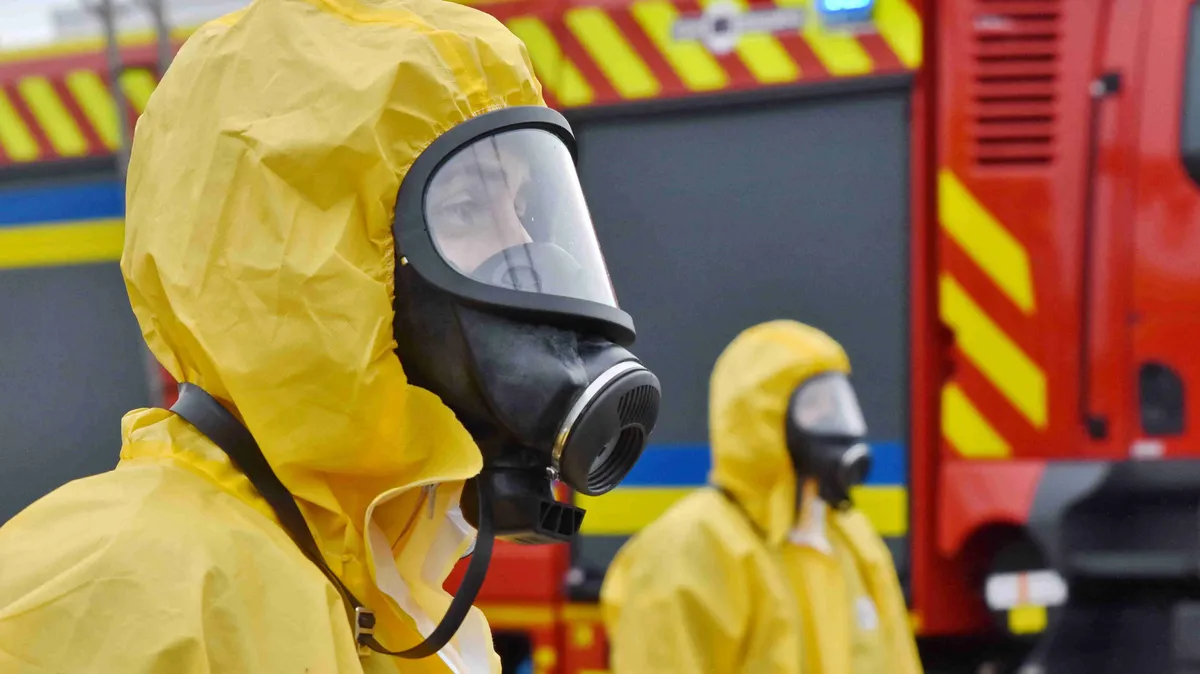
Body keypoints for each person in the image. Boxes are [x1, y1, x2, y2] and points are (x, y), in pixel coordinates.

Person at [0, 0, 661, 672]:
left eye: (522, 209)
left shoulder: (402, 608)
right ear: (292, 259)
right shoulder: (111, 602)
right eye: (467, 208)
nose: (526, 254)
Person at [600, 320, 921, 674]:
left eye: (837, 402)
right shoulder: (691, 548)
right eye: (815, 404)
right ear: (762, 419)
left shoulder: (853, 541)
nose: (834, 420)